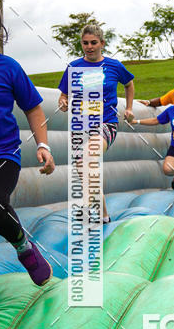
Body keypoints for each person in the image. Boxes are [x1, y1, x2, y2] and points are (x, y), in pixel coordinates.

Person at [0, 15, 55, 284]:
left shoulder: (9, 68)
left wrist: (43, 145)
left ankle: (24, 247)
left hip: (3, 154)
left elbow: (32, 107)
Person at [57, 24, 134, 223]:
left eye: (93, 42)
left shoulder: (114, 66)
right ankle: (103, 215)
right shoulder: (74, 67)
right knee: (85, 170)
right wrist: (63, 102)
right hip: (80, 125)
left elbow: (129, 84)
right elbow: (64, 94)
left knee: (89, 155)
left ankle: (88, 207)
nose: (89, 47)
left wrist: (129, 108)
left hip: (106, 123)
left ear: (102, 43)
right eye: (85, 43)